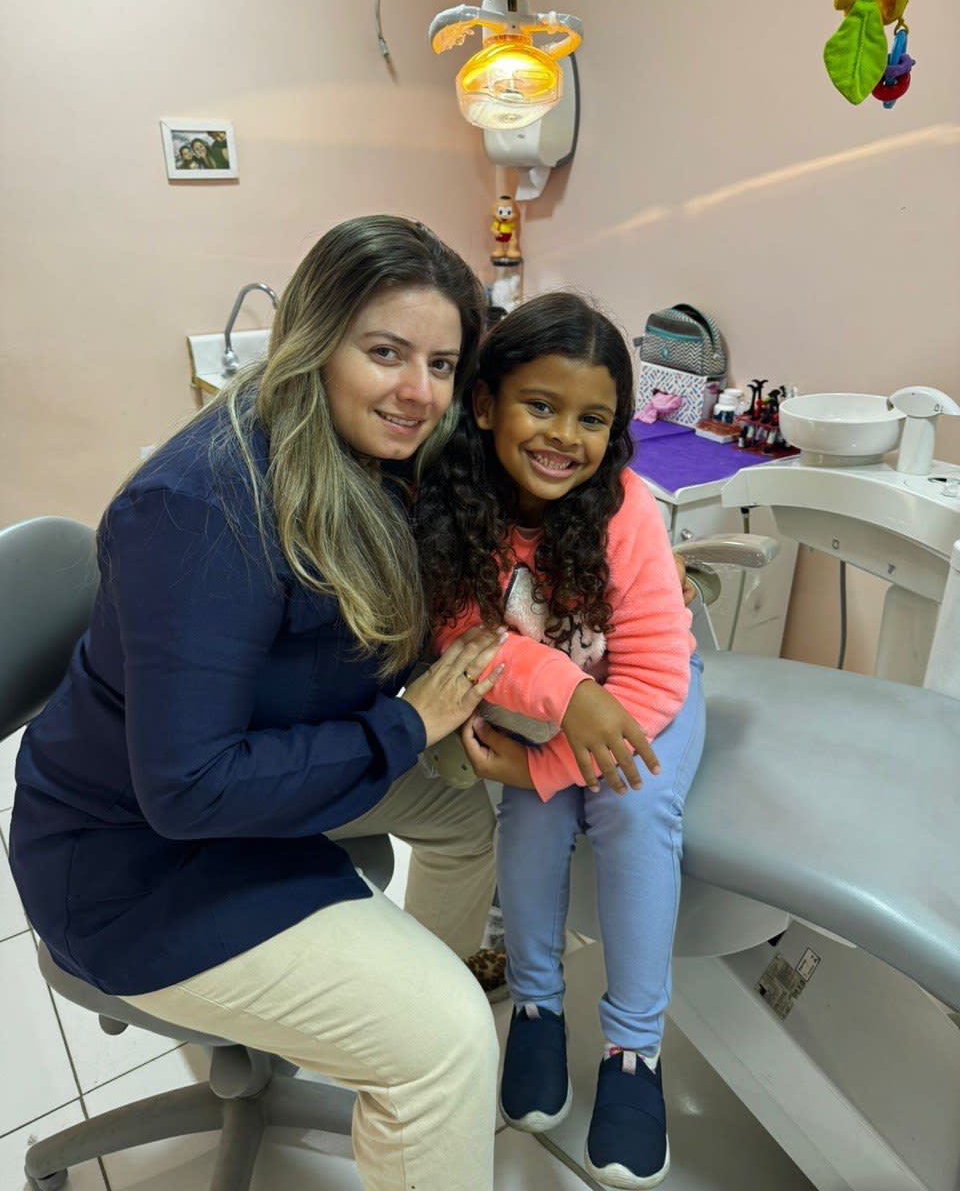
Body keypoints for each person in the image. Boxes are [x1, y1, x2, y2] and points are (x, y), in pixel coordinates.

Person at [9, 215, 510, 1191]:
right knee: (446, 1042)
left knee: (459, 817)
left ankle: (400, 1024)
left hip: (252, 757)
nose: (419, 391)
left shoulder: (366, 453)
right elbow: (188, 788)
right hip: (135, 854)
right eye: (386, 352)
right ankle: (424, 1057)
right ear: (314, 341)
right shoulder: (204, 507)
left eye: (442, 364)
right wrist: (409, 722)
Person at [414, 291, 706, 1190]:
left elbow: (653, 673)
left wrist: (550, 758)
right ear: (486, 403)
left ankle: (635, 1051)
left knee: (634, 805)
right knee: (532, 821)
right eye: (540, 406)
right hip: (559, 700)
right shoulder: (456, 504)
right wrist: (563, 703)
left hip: (648, 694)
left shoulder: (623, 511)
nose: (563, 438)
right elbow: (464, 638)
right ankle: (537, 1008)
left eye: (592, 419)